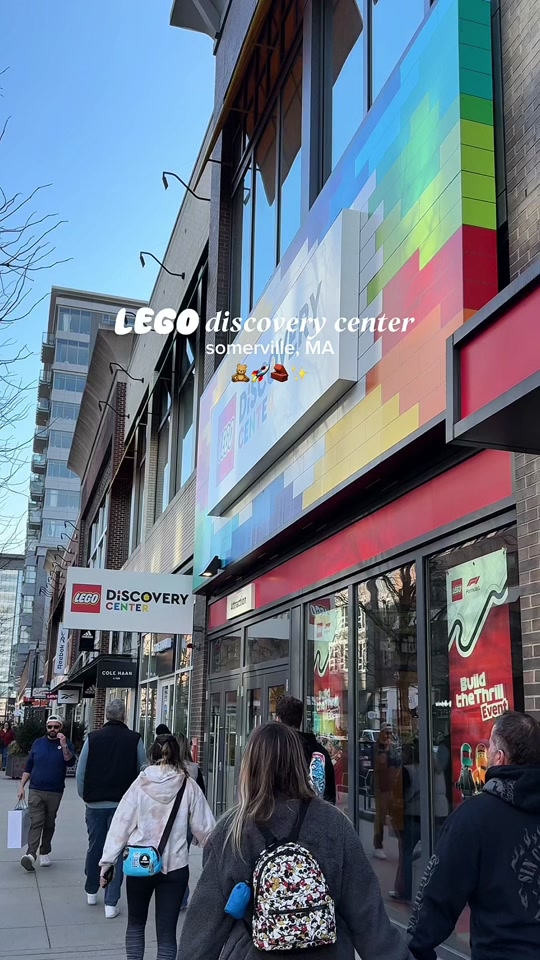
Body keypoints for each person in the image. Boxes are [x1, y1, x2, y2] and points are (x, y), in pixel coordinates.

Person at [177, 721, 413, 960]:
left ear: (249, 767)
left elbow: (202, 928)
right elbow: (368, 916)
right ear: (299, 763)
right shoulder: (334, 824)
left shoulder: (231, 831)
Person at [408, 711, 540, 960]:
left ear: (499, 757)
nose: (486, 753)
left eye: (489, 747)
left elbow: (438, 895)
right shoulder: (474, 816)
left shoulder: (473, 817)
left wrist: (416, 948)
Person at [99, 733, 215, 960]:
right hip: (175, 867)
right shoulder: (189, 786)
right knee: (167, 934)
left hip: (139, 864)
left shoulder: (139, 785)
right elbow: (206, 830)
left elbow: (120, 825)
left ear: (151, 755)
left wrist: (107, 862)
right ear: (178, 756)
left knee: (135, 924)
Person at [76, 699, 147, 918]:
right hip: (123, 806)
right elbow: (143, 772)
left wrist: (85, 796)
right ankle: (111, 902)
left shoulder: (92, 739)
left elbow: (81, 772)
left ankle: (91, 889)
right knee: (117, 852)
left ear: (106, 715)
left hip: (95, 804)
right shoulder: (134, 739)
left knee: (95, 847)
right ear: (124, 715)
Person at [18, 715, 75, 871]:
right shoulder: (38, 743)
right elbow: (29, 765)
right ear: (46, 728)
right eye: (50, 727)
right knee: (36, 822)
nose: (52, 730)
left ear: (60, 727)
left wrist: (64, 745)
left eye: (56, 727)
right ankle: (30, 854)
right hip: (36, 789)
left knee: (49, 822)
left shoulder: (66, 743)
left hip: (55, 791)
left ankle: (44, 852)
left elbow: (70, 762)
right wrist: (22, 786)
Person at [275, 695, 336, 803]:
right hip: (318, 811)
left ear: (278, 720)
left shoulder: (274, 750)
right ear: (300, 719)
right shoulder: (320, 751)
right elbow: (330, 794)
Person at [176, 731, 206, 911]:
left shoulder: (166, 769)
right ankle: (182, 897)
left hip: (167, 821)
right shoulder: (194, 769)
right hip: (187, 820)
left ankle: (171, 893)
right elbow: (201, 796)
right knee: (182, 857)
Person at [373, 724, 399, 860]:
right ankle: (378, 845)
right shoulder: (377, 748)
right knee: (381, 818)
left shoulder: (392, 748)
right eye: (386, 733)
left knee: (396, 817)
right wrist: (386, 750)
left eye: (390, 733)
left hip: (392, 787)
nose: (389, 736)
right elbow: (380, 764)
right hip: (381, 788)